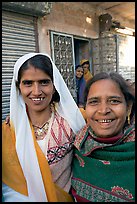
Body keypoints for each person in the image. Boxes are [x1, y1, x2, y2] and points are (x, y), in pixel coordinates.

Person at [2, 53, 86, 202]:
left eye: (44, 82)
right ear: (18, 88)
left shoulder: (73, 121)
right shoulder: (8, 131)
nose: (36, 91)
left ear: (55, 86)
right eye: (28, 83)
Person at [71, 72, 135, 202]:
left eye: (114, 101)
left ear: (128, 108)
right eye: (94, 102)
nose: (103, 110)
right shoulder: (78, 146)